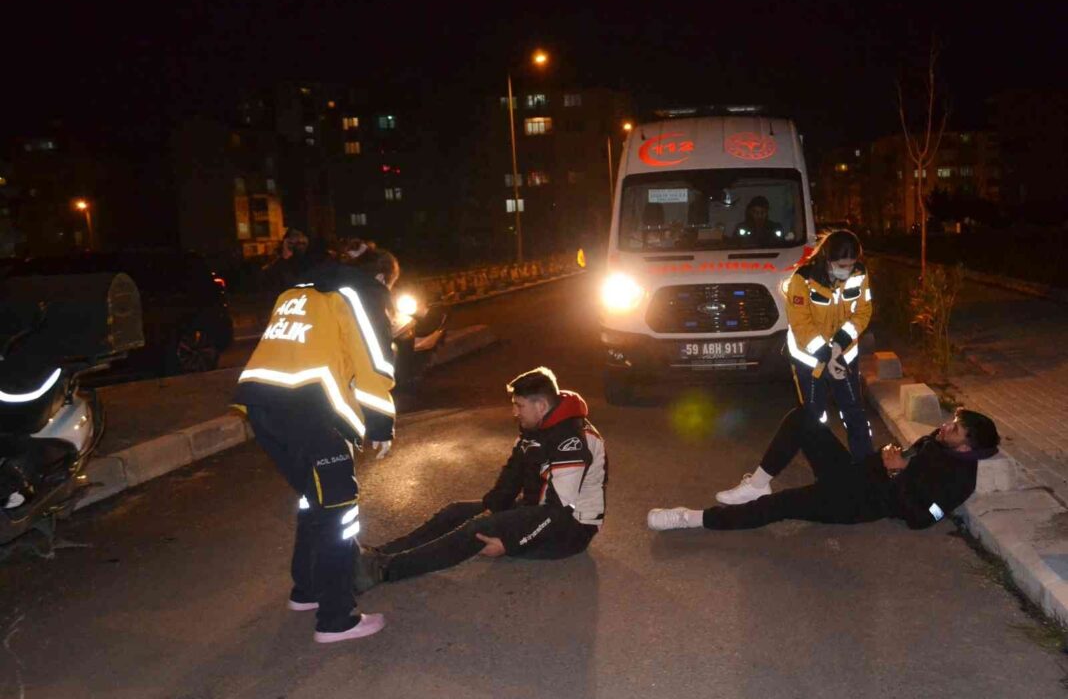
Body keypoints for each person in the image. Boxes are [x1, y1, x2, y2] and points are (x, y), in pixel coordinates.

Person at [233, 241, 397, 644]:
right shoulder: (363, 293)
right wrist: (380, 424)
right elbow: (373, 363)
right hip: (309, 411)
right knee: (339, 513)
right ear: (381, 277)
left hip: (261, 404)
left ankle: (305, 590)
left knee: (314, 501)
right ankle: (336, 619)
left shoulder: (297, 291)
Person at [354, 367, 606, 590]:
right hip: (540, 508)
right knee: (456, 511)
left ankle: (384, 570)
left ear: (541, 406)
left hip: (570, 529)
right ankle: (380, 553)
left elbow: (558, 512)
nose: (514, 412)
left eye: (519, 406)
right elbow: (512, 476)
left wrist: (511, 543)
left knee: (477, 530)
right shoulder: (538, 427)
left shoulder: (571, 442)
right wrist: (491, 506)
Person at [647, 406, 999, 532]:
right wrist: (892, 456)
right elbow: (906, 459)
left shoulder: (959, 483)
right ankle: (758, 482)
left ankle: (691, 518)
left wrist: (897, 473)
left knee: (781, 505)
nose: (945, 427)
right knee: (804, 418)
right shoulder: (937, 441)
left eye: (955, 428)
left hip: (857, 504)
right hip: (855, 474)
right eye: (951, 421)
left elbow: (921, 520)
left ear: (967, 447)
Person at [770, 228, 874, 477]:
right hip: (809, 360)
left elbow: (863, 312)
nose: (847, 270)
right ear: (827, 259)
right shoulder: (802, 279)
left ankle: (867, 468)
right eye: (842, 265)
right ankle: (826, 471)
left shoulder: (859, 274)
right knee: (815, 416)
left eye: (851, 264)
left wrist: (840, 344)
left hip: (844, 355)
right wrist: (827, 356)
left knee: (854, 411)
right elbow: (801, 324)